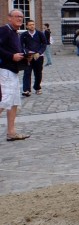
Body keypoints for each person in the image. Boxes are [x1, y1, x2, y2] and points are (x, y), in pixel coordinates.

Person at [0, 9, 30, 141]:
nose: (20, 19)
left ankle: (11, 132)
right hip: (5, 70)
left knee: (14, 101)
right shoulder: (4, 30)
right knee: (4, 100)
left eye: (21, 17)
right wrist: (11, 56)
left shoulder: (15, 33)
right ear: (9, 18)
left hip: (13, 71)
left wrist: (25, 56)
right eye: (17, 16)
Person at [20, 19, 47, 96]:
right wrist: (27, 52)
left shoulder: (40, 33)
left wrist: (39, 52)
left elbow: (44, 44)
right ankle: (27, 90)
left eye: (33, 24)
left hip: (38, 56)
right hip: (28, 57)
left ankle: (37, 87)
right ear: (27, 26)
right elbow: (21, 45)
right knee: (27, 73)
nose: (32, 26)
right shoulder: (24, 35)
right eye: (30, 25)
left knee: (38, 73)